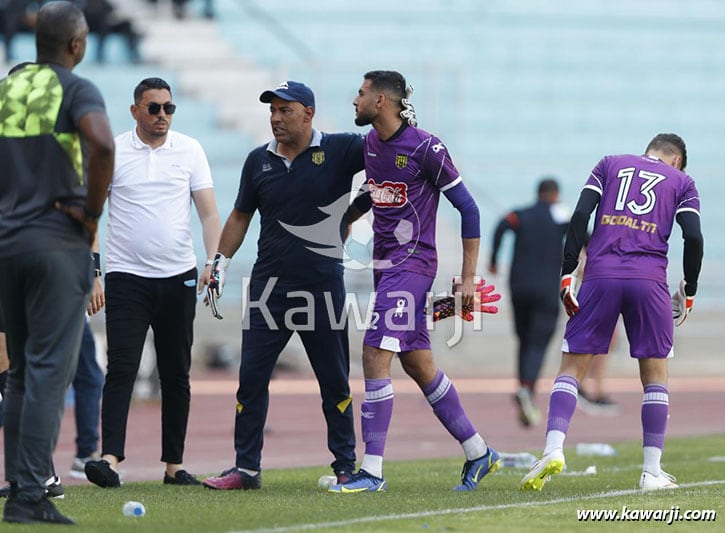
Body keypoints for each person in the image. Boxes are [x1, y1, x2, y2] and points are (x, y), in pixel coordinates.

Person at [328, 70, 499, 494]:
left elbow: (470, 210)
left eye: (361, 93)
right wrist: (347, 218)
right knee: (417, 363)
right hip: (387, 269)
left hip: (413, 265)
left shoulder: (426, 147)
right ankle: (479, 451)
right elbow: (377, 191)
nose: (354, 100)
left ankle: (372, 471)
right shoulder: (371, 144)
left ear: (381, 101)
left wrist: (467, 280)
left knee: (374, 353)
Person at [202, 80, 363, 491]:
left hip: (322, 287)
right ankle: (246, 468)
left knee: (334, 381)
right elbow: (240, 216)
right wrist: (219, 262)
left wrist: (351, 214)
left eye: (284, 110)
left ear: (308, 114)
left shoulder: (342, 149)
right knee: (251, 380)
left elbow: (389, 151)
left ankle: (346, 465)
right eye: (272, 110)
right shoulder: (258, 161)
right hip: (268, 289)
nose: (275, 118)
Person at [520, 133, 704, 492]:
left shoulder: (609, 164)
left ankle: (552, 449)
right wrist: (690, 287)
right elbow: (694, 236)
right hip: (648, 281)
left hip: (600, 275)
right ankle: (651, 471)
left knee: (572, 367)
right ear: (677, 161)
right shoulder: (683, 182)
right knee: (655, 375)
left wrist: (568, 271)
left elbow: (580, 215)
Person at [0, 1, 115, 525]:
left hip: (7, 246)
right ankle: (30, 494)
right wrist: (90, 213)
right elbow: (102, 144)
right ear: (77, 44)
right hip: (55, 243)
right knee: (50, 371)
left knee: (21, 373)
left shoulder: (7, 89)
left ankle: (20, 490)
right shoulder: (76, 88)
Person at [83, 76, 222, 488]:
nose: (163, 115)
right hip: (126, 277)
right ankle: (110, 459)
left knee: (176, 372)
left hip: (178, 276)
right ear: (134, 111)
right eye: (154, 107)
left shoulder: (190, 149)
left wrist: (213, 261)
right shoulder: (113, 151)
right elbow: (92, 216)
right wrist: (94, 273)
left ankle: (174, 465)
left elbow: (209, 214)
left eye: (169, 108)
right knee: (121, 367)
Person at [488, 178, 569, 427]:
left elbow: (502, 225)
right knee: (538, 342)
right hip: (546, 289)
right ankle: (526, 389)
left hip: (519, 287)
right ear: (554, 195)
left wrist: (494, 259)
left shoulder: (520, 215)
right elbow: (583, 235)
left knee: (524, 340)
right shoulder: (560, 216)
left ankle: (525, 388)